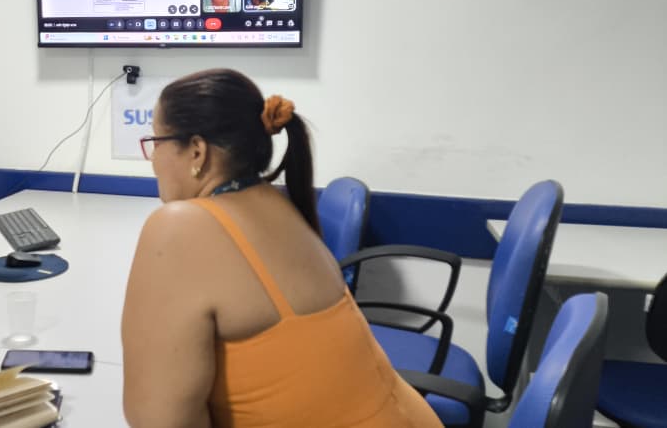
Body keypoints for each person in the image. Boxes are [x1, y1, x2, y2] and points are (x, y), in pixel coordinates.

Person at [121, 69, 442, 427]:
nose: (152, 159)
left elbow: (159, 422)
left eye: (157, 142)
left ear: (197, 150)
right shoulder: (275, 203)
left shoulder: (180, 226)